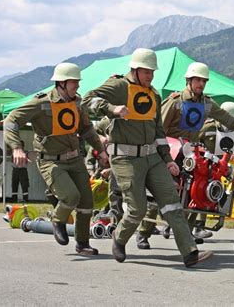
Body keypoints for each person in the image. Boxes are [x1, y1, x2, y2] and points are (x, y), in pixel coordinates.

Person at [82, 48, 212, 267]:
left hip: (153, 158)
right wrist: (111, 108)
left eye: (152, 71)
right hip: (125, 159)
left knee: (172, 203)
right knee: (137, 209)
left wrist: (168, 159)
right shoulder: (119, 86)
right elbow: (87, 101)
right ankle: (120, 238)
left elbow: (159, 132)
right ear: (135, 69)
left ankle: (190, 252)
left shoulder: (154, 94)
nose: (150, 76)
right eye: (146, 71)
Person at [4, 62, 108, 255]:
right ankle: (57, 220)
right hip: (50, 161)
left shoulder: (78, 103)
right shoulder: (41, 103)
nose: (77, 87)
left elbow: (86, 129)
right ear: (61, 83)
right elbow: (11, 120)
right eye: (73, 83)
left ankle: (83, 244)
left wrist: (100, 150)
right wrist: (17, 148)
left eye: (78, 83)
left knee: (86, 201)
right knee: (71, 196)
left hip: (75, 159)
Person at [147, 62, 234, 246]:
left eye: (203, 80)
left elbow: (225, 118)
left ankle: (188, 233)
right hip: (170, 151)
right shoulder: (175, 101)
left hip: (191, 154)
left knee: (197, 193)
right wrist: (163, 155)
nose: (200, 83)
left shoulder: (207, 104)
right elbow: (158, 129)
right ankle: (144, 233)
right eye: (197, 79)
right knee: (161, 193)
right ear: (189, 80)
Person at [194, 101, 234, 238]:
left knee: (212, 194)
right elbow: (192, 139)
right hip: (204, 165)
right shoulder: (207, 127)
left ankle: (199, 228)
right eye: (231, 119)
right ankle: (185, 226)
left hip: (221, 166)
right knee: (197, 195)